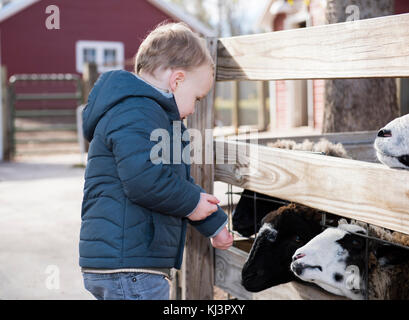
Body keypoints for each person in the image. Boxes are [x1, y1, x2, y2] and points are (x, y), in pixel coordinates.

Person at [79, 22, 233, 300]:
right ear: (177, 81)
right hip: (130, 264)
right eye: (197, 98)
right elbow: (144, 180)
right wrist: (192, 203)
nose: (194, 108)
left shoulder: (149, 115)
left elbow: (175, 185)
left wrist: (215, 224)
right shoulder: (137, 111)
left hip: (125, 261)